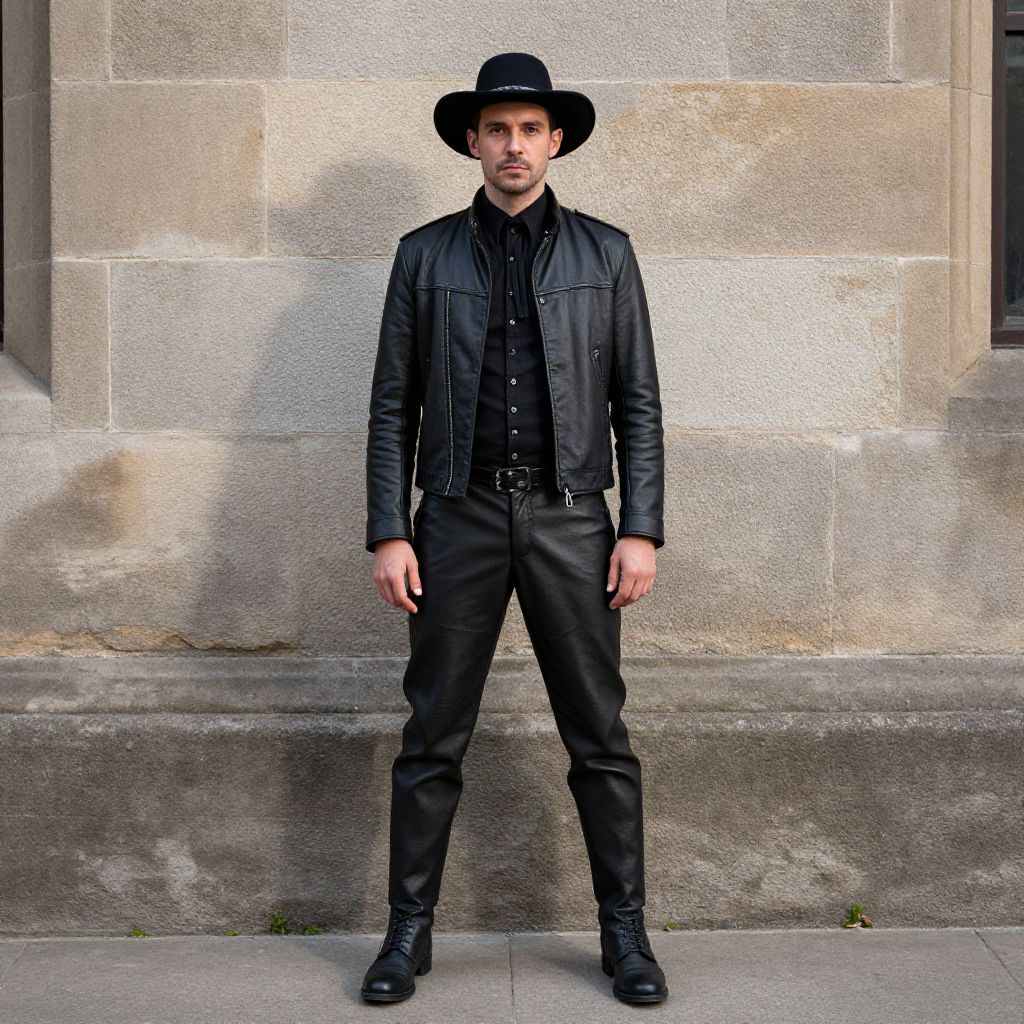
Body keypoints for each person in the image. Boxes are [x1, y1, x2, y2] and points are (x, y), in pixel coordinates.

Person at [360, 51, 667, 1006]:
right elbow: (390, 407)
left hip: (575, 519)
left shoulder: (606, 252)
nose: (514, 146)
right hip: (454, 520)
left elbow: (639, 404)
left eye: (530, 129)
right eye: (497, 129)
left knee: (601, 739)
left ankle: (626, 936)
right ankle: (407, 935)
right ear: (472, 141)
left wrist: (641, 527)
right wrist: (388, 530)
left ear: (556, 140)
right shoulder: (424, 254)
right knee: (432, 738)